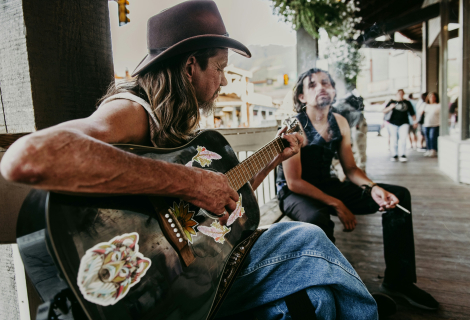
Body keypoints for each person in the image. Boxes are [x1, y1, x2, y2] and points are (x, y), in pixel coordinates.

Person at [1, 1, 380, 319]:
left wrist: (271, 158)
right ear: (189, 67)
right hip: (164, 285)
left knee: (318, 300)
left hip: (204, 270)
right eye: (220, 68)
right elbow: (28, 157)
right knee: (306, 239)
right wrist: (194, 183)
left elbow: (224, 205)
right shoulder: (133, 109)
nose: (225, 81)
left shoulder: (178, 121)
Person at [276, 68, 439, 311]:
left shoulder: (339, 121)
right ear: (301, 96)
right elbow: (294, 182)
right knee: (317, 218)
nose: (321, 87)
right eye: (312, 85)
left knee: (398, 196)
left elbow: (351, 169)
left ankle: (398, 281)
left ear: (333, 91)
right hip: (296, 192)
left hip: (328, 185)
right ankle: (335, 293)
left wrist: (373, 188)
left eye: (326, 83)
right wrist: (337, 203)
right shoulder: (293, 124)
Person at [382, 89, 417, 162]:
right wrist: (391, 107)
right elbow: (384, 111)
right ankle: (395, 154)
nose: (400, 95)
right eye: (399, 94)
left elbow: (412, 113)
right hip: (393, 123)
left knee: (403, 139)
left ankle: (403, 154)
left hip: (404, 123)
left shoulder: (407, 103)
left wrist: (415, 122)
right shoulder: (392, 102)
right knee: (394, 139)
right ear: (396, 94)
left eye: (402, 94)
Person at [419, 92, 441, 157]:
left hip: (435, 124)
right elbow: (420, 113)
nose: (432, 98)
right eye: (431, 97)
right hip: (426, 124)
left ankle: (433, 150)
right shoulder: (425, 105)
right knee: (427, 137)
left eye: (433, 97)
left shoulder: (438, 105)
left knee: (432, 137)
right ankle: (428, 149)